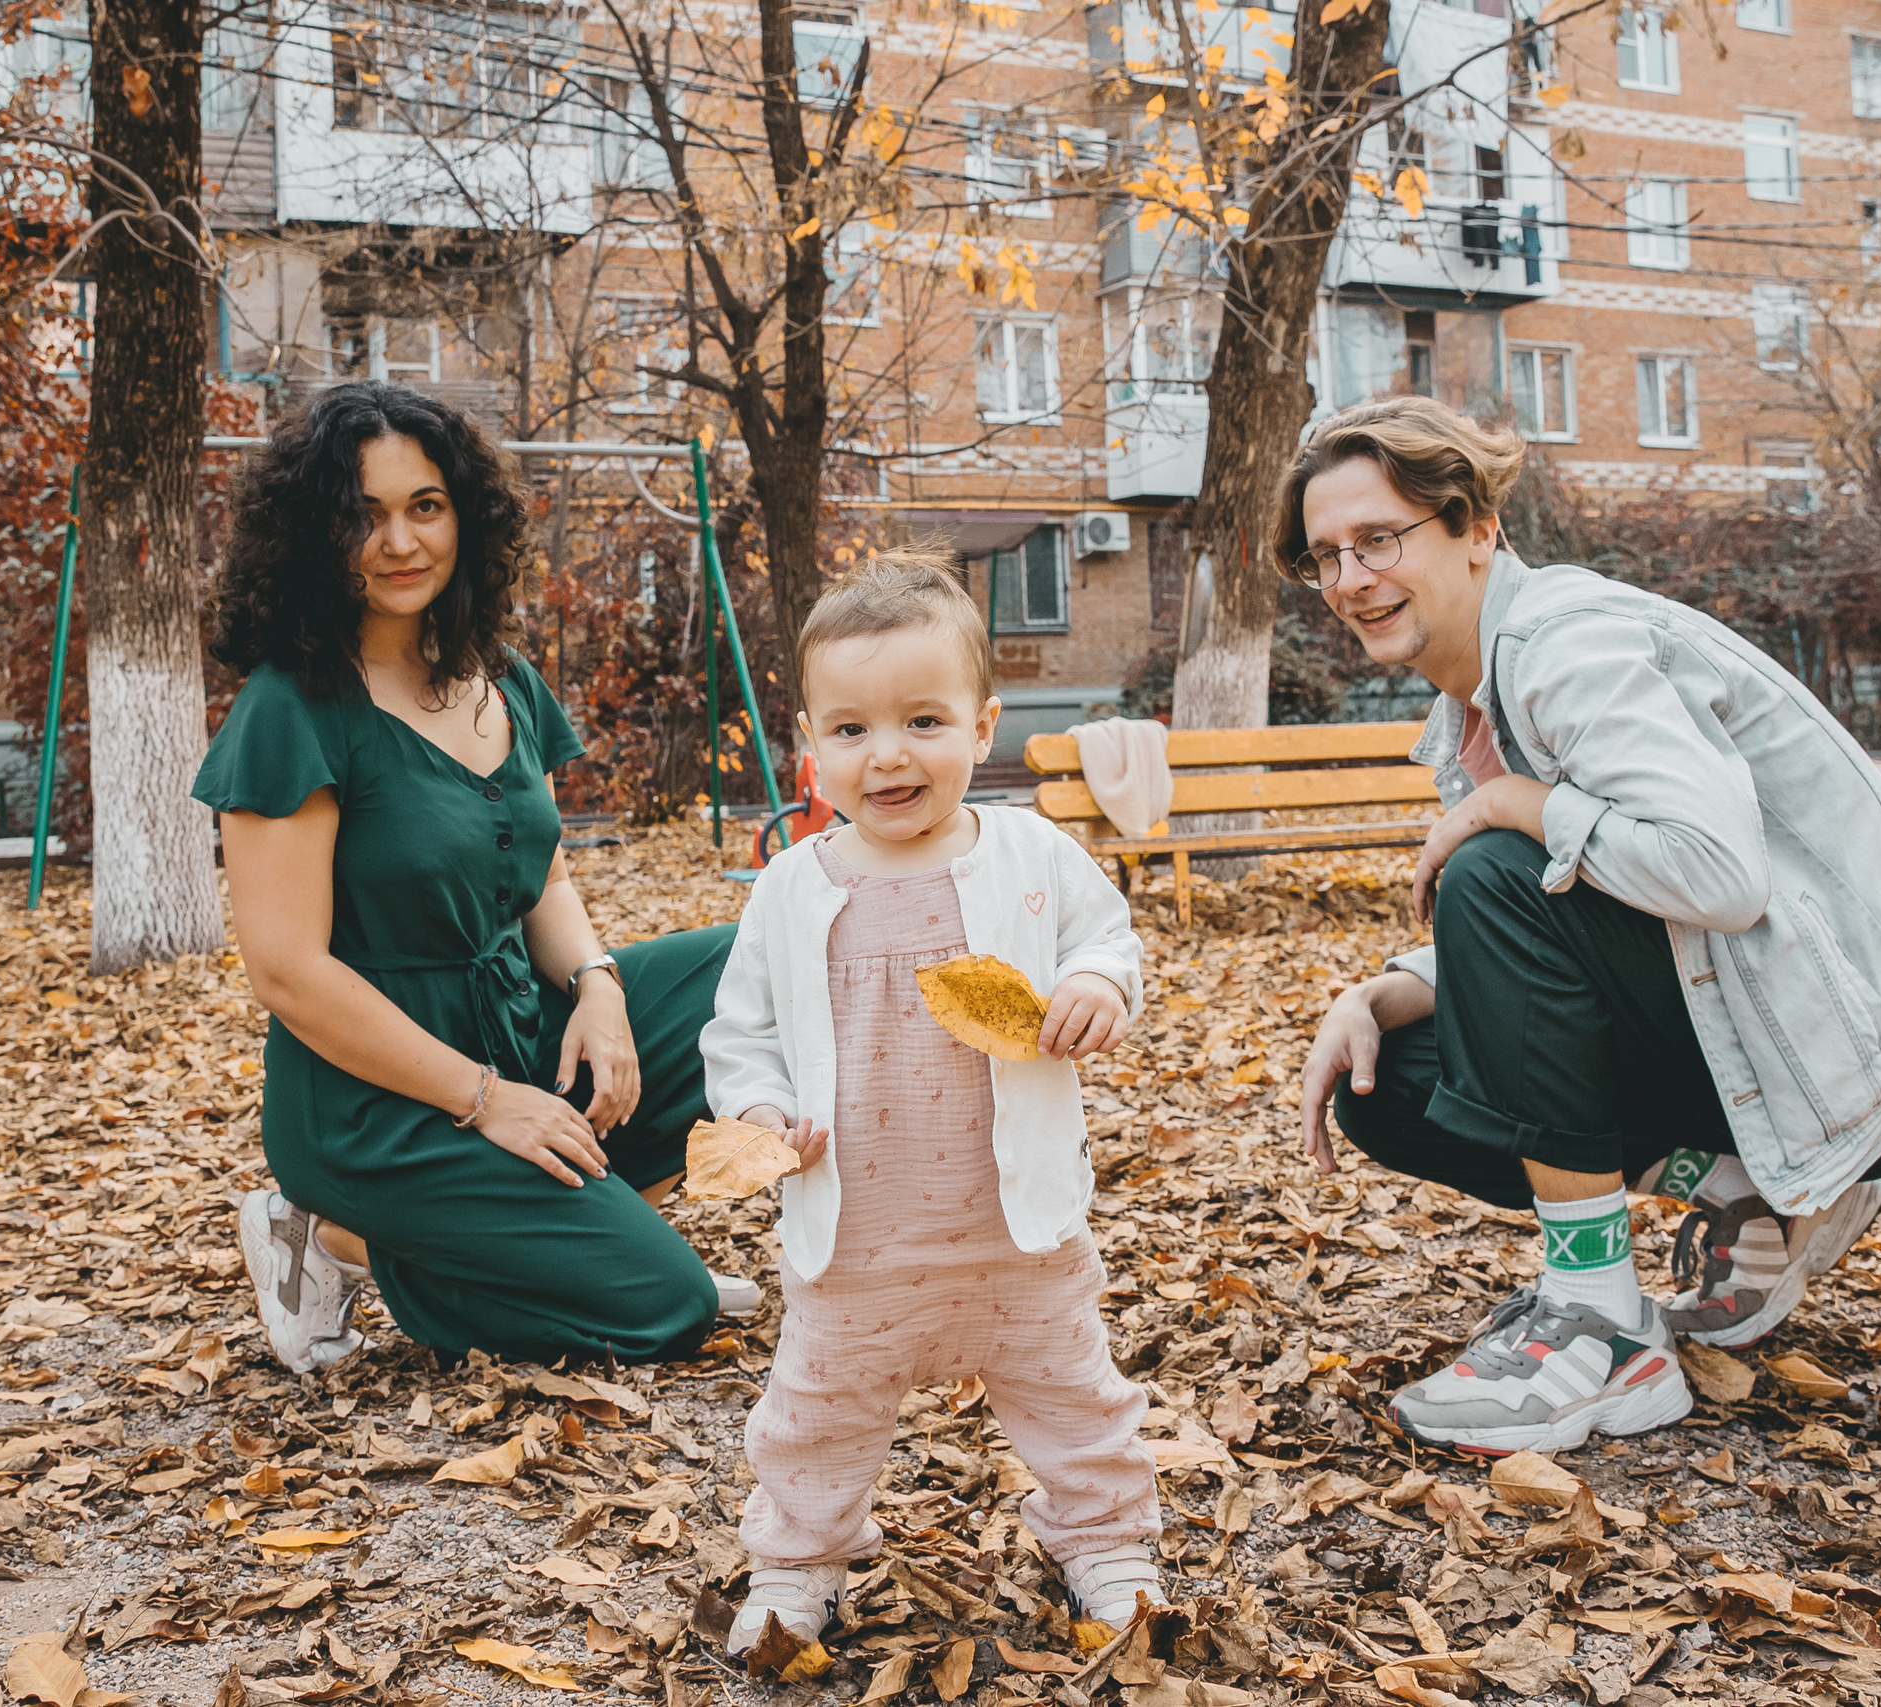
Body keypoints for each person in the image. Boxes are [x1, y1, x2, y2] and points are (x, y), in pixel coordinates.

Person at [1285, 397, 1881, 1455]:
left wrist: (1512, 808)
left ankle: (1601, 1325)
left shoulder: (1564, 647)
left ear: (1477, 529)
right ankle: (1749, 1192)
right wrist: (1375, 991)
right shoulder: (1475, 707)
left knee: (1490, 867)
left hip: (1871, 1056)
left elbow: (1714, 877)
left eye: (1379, 539)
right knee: (1386, 1082)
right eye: (1325, 557)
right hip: (1773, 1034)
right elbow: (1574, 925)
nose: (1350, 580)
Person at [197, 381, 750, 1375]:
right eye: (361, 516)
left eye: (424, 506)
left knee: (763, 964)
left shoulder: (502, 678)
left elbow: (540, 877)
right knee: (664, 1310)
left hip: (520, 1026)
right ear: (313, 536)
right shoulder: (292, 708)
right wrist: (485, 1098)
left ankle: (582, 1231)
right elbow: (284, 972)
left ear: (463, 514)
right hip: (378, 1103)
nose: (400, 542)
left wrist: (599, 987)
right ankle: (324, 1238)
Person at [700, 554, 1165, 1649]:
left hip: (1015, 1225)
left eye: (922, 720)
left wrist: (1097, 983)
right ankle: (797, 1563)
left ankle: (1103, 1540)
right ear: (811, 743)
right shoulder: (791, 887)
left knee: (1071, 1393)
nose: (888, 755)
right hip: (856, 1232)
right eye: (851, 730)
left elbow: (1106, 938)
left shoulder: (1031, 854)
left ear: (981, 726)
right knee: (817, 1412)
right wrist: (762, 1115)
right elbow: (743, 1030)